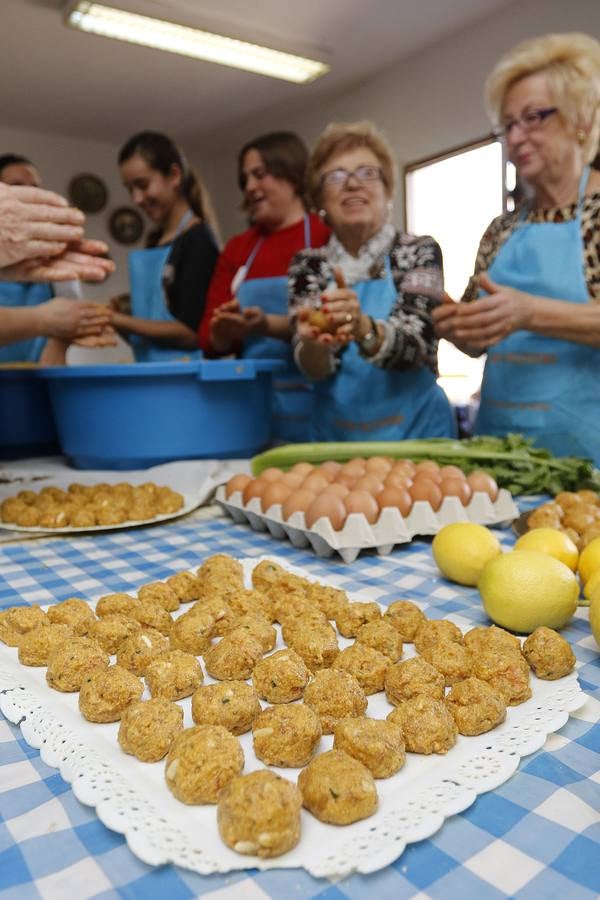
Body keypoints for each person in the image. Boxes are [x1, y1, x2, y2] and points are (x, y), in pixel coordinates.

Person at [433, 33, 600, 461]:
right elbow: (476, 341)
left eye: (533, 118)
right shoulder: (501, 229)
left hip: (588, 461)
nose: (516, 138)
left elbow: (521, 313)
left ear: (580, 117)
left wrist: (529, 313)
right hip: (502, 455)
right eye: (507, 125)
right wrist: (451, 321)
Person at [289, 121, 455, 441]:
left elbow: (414, 348)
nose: (352, 184)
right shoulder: (309, 265)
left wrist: (361, 326)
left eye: (367, 172)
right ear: (320, 199)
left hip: (417, 434)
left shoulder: (417, 251)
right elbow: (314, 368)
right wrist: (312, 343)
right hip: (337, 440)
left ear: (387, 189)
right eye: (336, 176)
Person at [200, 131, 329, 442]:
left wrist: (266, 325)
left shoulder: (327, 236)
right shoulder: (239, 249)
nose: (250, 187)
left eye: (260, 174)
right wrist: (223, 332)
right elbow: (206, 336)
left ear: (293, 175)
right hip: (254, 406)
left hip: (325, 403)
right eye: (245, 179)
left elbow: (341, 323)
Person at [115, 131, 220, 361]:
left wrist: (120, 320)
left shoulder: (199, 240)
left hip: (185, 380)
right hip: (150, 374)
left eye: (142, 185)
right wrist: (118, 320)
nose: (136, 199)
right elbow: (148, 337)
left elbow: (192, 334)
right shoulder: (154, 241)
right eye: (130, 189)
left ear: (174, 176)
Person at [0, 181, 113, 354]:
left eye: (35, 187)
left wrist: (59, 343)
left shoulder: (47, 261)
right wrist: (42, 320)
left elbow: (70, 305)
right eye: (17, 187)